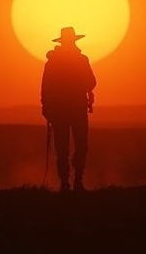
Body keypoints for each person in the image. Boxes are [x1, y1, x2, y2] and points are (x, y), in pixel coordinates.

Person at [41, 26, 97, 192]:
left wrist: (46, 107)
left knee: (62, 147)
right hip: (77, 109)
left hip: (59, 111)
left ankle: (65, 183)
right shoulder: (82, 60)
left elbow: (45, 88)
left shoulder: (52, 63)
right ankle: (77, 182)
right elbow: (92, 82)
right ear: (73, 41)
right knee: (80, 146)